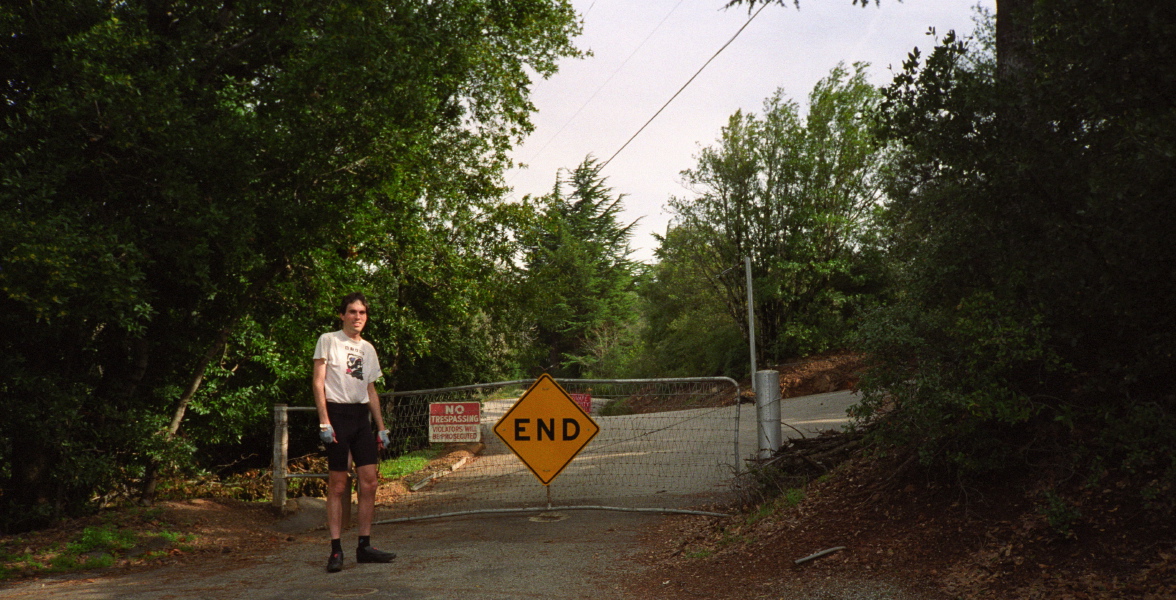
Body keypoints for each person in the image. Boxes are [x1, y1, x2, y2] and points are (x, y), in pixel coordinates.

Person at [312, 292, 397, 573]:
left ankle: (364, 545)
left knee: (369, 482)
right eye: (352, 312)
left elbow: (371, 390)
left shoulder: (368, 349)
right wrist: (324, 421)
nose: (357, 317)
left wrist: (381, 427)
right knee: (338, 485)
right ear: (342, 315)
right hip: (337, 415)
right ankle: (336, 550)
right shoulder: (329, 340)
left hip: (361, 418)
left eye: (361, 312)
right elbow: (318, 382)